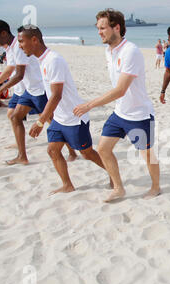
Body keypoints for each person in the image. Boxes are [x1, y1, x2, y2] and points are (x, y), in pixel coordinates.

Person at [73, 8, 160, 202]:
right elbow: (119, 92)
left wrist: (89, 105)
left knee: (147, 155)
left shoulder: (131, 51)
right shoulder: (109, 50)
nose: (99, 32)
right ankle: (119, 188)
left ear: (116, 27)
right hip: (120, 112)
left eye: (103, 28)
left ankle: (156, 187)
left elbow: (120, 89)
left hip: (139, 114)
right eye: (98, 28)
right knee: (103, 149)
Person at [17, 25, 111, 195]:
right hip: (60, 119)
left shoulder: (54, 60)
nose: (20, 45)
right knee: (52, 150)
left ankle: (113, 174)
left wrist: (40, 121)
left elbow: (56, 95)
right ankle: (68, 184)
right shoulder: (42, 60)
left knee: (87, 153)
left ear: (34, 40)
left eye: (22, 41)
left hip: (74, 117)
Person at [0, 20, 77, 165]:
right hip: (29, 90)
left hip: (39, 90)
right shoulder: (11, 47)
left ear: (4, 33)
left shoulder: (18, 47)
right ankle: (22, 156)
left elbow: (18, 74)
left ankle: (72, 152)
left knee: (54, 123)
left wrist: (0, 88)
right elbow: (10, 71)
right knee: (14, 117)